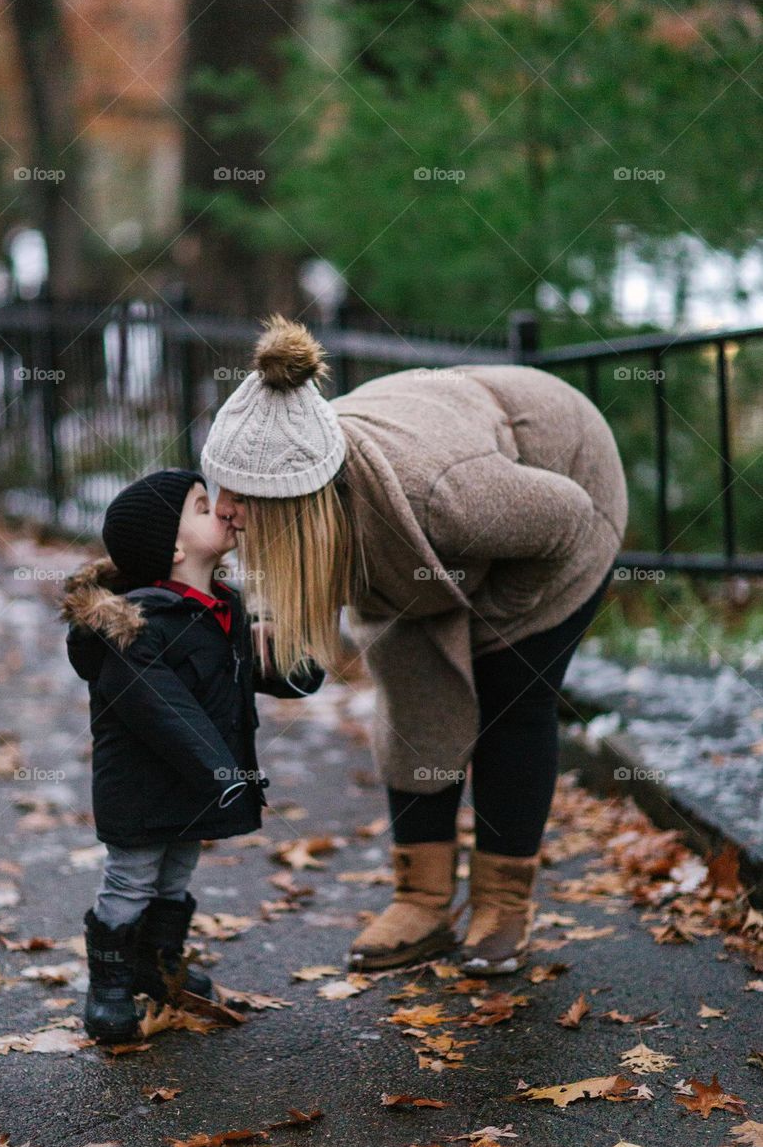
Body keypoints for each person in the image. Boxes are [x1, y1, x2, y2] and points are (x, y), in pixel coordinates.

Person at [199, 315, 628, 975]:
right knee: (410, 691)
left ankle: (501, 905)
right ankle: (422, 899)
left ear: (298, 502)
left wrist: (492, 626)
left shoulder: (445, 498)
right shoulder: (284, 480)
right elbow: (302, 659)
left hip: (559, 482)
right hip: (422, 547)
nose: (223, 510)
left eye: (243, 498)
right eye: (220, 488)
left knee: (509, 696)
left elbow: (567, 520)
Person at [61, 468, 324, 1042]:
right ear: (175, 546)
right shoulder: (137, 627)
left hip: (199, 782)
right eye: (205, 506)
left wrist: (293, 667)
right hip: (144, 785)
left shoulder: (219, 607)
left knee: (176, 873)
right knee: (131, 880)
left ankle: (159, 965)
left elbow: (238, 675)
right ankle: (108, 985)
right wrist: (222, 772)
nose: (225, 511)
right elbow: (165, 708)